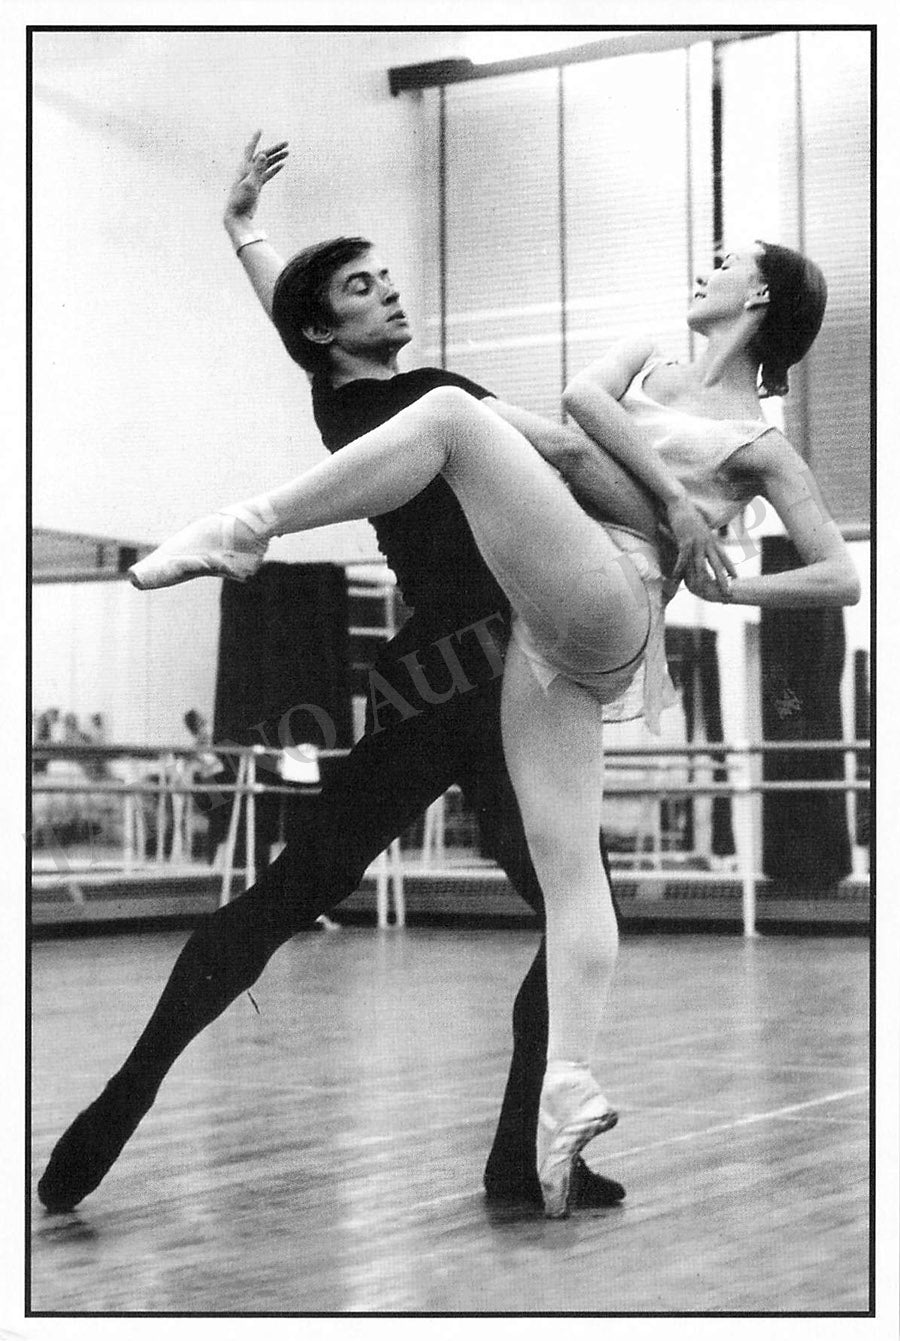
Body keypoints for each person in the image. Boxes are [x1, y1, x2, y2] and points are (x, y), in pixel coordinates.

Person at [120, 211, 858, 1212]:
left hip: (587, 606)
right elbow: (575, 412)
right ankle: (562, 1101)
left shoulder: (752, 444)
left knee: (453, 417)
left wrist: (730, 587)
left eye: (726, 261)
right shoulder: (627, 362)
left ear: (760, 296)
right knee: (572, 876)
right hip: (525, 642)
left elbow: (837, 575)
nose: (706, 264)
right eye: (361, 288)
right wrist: (677, 503)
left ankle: (246, 526)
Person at [39, 134, 691, 1220]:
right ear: (325, 331)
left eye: (387, 279)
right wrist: (671, 508)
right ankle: (521, 1157)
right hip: (494, 676)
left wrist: (244, 231)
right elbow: (574, 456)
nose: (389, 293)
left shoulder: (342, 411)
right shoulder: (434, 397)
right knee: (576, 910)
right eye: (362, 289)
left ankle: (122, 1104)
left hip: (430, 678)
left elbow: (294, 313)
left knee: (296, 891)